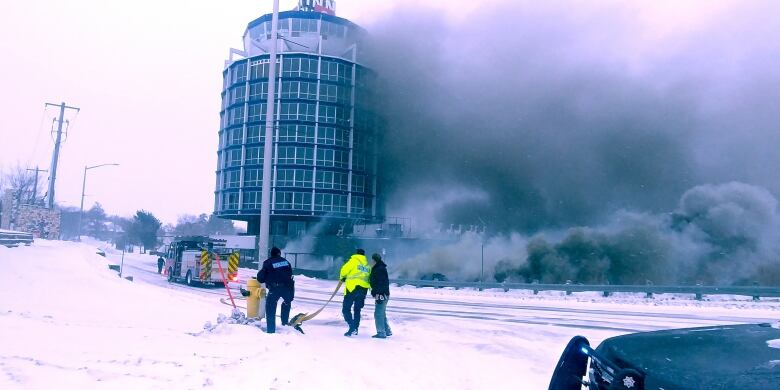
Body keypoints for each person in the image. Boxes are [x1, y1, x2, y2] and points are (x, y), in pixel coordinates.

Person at [257, 247, 294, 334]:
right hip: (287, 288)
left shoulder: (268, 262)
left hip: (274, 289)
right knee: (286, 303)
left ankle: (271, 330)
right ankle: (284, 324)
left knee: (270, 308)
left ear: (271, 254)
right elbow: (290, 274)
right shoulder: (286, 262)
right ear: (279, 254)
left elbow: (261, 278)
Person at [340, 248, 371, 336]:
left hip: (352, 289)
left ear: (356, 254)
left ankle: (352, 326)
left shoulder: (353, 261)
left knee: (346, 309)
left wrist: (342, 277)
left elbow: (343, 271)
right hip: (363, 290)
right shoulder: (367, 266)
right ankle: (355, 329)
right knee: (357, 310)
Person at [369, 253, 392, 339]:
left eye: (372, 260)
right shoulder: (380, 268)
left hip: (381, 294)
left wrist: (378, 294)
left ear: (374, 260)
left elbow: (381, 283)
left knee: (378, 314)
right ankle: (387, 330)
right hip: (383, 293)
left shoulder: (379, 269)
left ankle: (381, 332)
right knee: (382, 313)